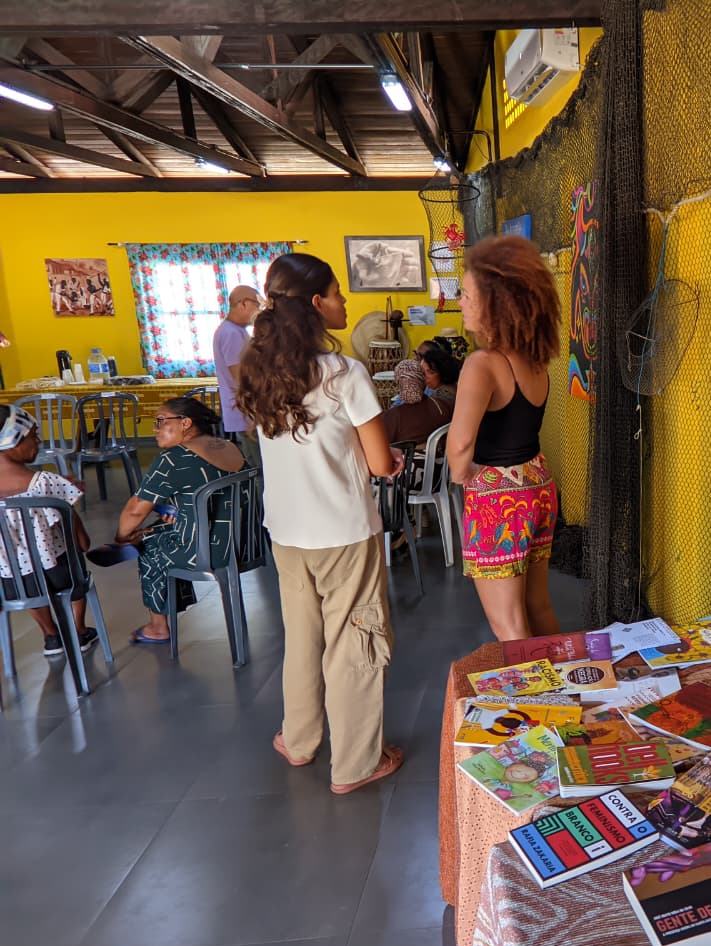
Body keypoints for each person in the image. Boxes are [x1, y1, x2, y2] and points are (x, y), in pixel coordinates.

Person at [236, 251, 406, 796]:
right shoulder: (344, 374)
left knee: (303, 637)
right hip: (343, 531)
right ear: (316, 303)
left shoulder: (257, 369)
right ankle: (356, 763)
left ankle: (300, 739)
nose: (345, 300)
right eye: (336, 292)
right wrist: (390, 460)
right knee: (355, 641)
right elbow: (378, 462)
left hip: (287, 531)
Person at [447, 235, 561, 642]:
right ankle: (571, 677)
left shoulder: (482, 364)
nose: (460, 302)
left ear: (495, 303)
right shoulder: (534, 359)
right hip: (538, 485)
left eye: (467, 294)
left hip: (499, 500)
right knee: (538, 606)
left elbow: (461, 444)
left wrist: (461, 474)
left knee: (508, 624)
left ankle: (536, 687)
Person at [114, 397, 245, 644]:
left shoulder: (174, 458)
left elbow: (134, 512)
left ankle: (159, 626)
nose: (155, 428)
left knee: (149, 544)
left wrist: (122, 538)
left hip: (211, 552)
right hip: (244, 545)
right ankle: (169, 610)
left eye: (161, 421)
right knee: (162, 530)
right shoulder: (230, 446)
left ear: (185, 423)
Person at [0, 406, 97, 658]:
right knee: (73, 557)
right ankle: (77, 630)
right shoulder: (45, 482)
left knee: (22, 568)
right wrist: (65, 494)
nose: (39, 441)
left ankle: (51, 635)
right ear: (11, 440)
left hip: (10, 584)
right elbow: (83, 542)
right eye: (33, 435)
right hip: (58, 576)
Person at [213, 285, 262, 459]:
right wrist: (253, 414)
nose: (259, 311)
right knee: (259, 468)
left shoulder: (236, 331)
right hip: (247, 414)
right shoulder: (231, 333)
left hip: (247, 412)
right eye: (257, 305)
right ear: (244, 303)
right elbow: (241, 378)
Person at [380, 353, 458, 447]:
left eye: (430, 372)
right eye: (423, 373)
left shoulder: (393, 416)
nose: (426, 377)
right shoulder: (441, 407)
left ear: (397, 382)